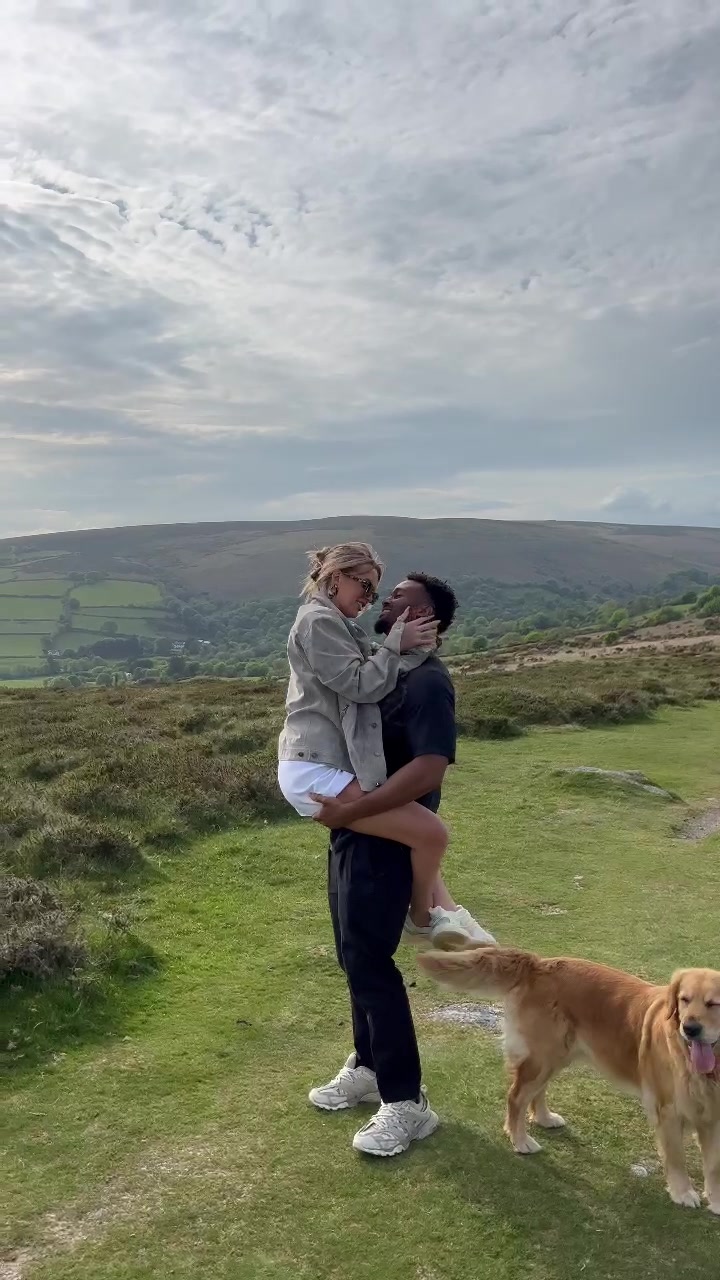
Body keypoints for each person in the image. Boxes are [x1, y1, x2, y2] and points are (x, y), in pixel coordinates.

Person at [307, 572, 496, 1157]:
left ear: (425, 618)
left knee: (371, 963)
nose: (386, 599)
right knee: (352, 956)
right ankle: (367, 1066)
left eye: (400, 597)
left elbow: (429, 769)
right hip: (355, 834)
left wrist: (355, 810)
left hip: (386, 843)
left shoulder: (429, 682)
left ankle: (407, 1101)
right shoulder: (386, 669)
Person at [278, 542, 487, 943]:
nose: (370, 599)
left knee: (415, 834)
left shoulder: (336, 623)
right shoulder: (318, 622)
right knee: (431, 834)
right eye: (365, 586)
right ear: (336, 577)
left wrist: (414, 648)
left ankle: (458, 923)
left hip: (321, 764)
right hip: (314, 766)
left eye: (374, 592)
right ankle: (421, 917)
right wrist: (397, 643)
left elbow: (378, 669)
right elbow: (360, 685)